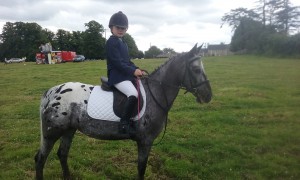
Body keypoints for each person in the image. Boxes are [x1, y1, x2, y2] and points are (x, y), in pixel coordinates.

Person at [105, 11, 144, 134]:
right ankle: (124, 123)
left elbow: (127, 61)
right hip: (117, 76)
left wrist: (137, 69)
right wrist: (133, 71)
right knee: (133, 93)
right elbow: (117, 63)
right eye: (118, 28)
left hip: (124, 75)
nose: (121, 30)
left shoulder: (124, 43)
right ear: (111, 28)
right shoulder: (111, 42)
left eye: (123, 28)